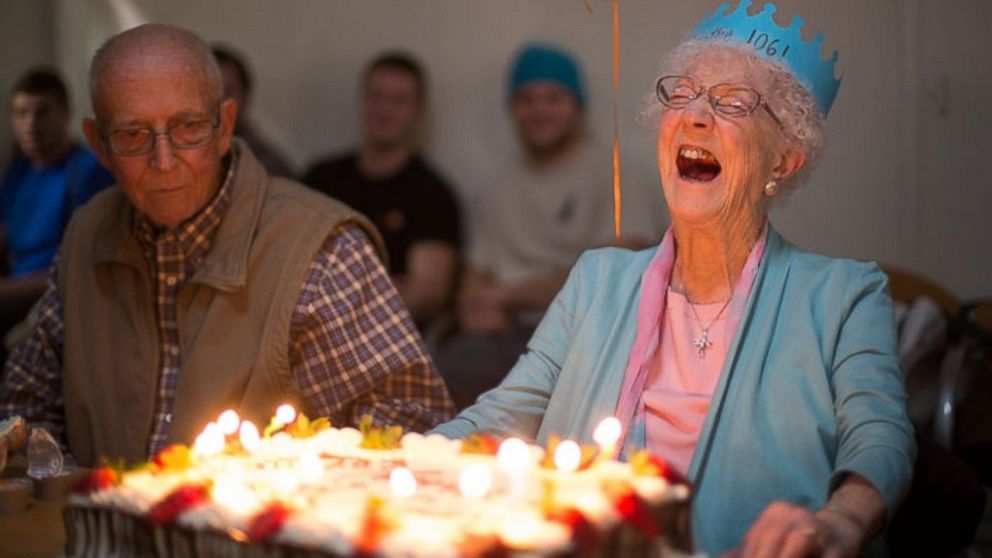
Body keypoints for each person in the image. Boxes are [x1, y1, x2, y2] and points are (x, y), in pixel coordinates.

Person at [432, 3, 915, 556]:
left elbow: (881, 439)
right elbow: (503, 413)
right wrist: (389, 464)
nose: (695, 116)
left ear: (783, 163)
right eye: (682, 93)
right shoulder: (596, 279)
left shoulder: (844, 296)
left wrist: (840, 521)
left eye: (733, 102)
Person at [0, 24, 453, 468]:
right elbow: (26, 399)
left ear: (224, 126)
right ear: (99, 144)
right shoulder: (86, 236)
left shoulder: (319, 250)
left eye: (188, 127)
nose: (163, 160)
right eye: (133, 135)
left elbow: (409, 435)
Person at [436, 43, 656, 409]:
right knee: (442, 376)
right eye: (527, 99)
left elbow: (616, 274)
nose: (540, 110)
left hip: (589, 333)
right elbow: (474, 277)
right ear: (513, 109)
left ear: (577, 107)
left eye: (553, 98)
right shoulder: (495, 189)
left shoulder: (619, 175)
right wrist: (475, 305)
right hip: (504, 336)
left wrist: (506, 295)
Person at [302, 52, 460, 327]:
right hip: (303, 329)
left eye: (398, 100)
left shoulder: (432, 194)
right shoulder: (321, 178)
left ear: (417, 109)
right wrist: (387, 286)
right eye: (376, 96)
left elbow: (428, 293)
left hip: (385, 335)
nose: (385, 109)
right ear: (363, 100)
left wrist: (333, 295)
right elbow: (288, 261)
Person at [0, 68, 114, 359]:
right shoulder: (18, 172)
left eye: (42, 112)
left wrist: (8, 290)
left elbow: (78, 267)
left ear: (64, 113)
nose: (31, 124)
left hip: (55, 295)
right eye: (21, 113)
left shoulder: (87, 172)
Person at [212, 45, 293, 177]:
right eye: (208, 91)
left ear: (246, 95)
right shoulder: (173, 158)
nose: (218, 101)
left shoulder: (268, 166)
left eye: (227, 91)